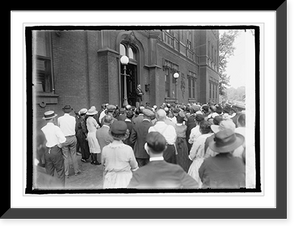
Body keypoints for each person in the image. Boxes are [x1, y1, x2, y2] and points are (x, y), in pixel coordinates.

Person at [127, 132, 198, 189]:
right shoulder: (176, 170)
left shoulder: (139, 173)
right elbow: (193, 185)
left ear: (147, 149)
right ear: (165, 148)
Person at [101, 121, 139, 188]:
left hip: (110, 179)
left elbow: (103, 165)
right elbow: (134, 166)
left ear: (110, 133)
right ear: (125, 134)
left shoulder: (105, 149)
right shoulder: (128, 149)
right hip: (125, 179)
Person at [40, 110, 66, 188]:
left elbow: (42, 141)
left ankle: (50, 189)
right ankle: (61, 189)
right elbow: (63, 139)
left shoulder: (42, 129)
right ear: (53, 119)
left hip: (47, 151)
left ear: (46, 119)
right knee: (60, 171)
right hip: (55, 150)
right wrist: (59, 145)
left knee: (49, 172)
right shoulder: (56, 128)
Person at [188, 121, 214, 187]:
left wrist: (191, 157)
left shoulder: (200, 138)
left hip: (199, 161)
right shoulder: (214, 137)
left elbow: (192, 153)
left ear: (200, 129)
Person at [57, 105, 81, 178]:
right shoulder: (73, 118)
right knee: (73, 154)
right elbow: (75, 127)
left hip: (64, 138)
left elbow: (58, 127)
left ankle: (66, 173)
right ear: (70, 111)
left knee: (65, 156)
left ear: (63, 111)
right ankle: (76, 171)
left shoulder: (59, 119)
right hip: (72, 137)